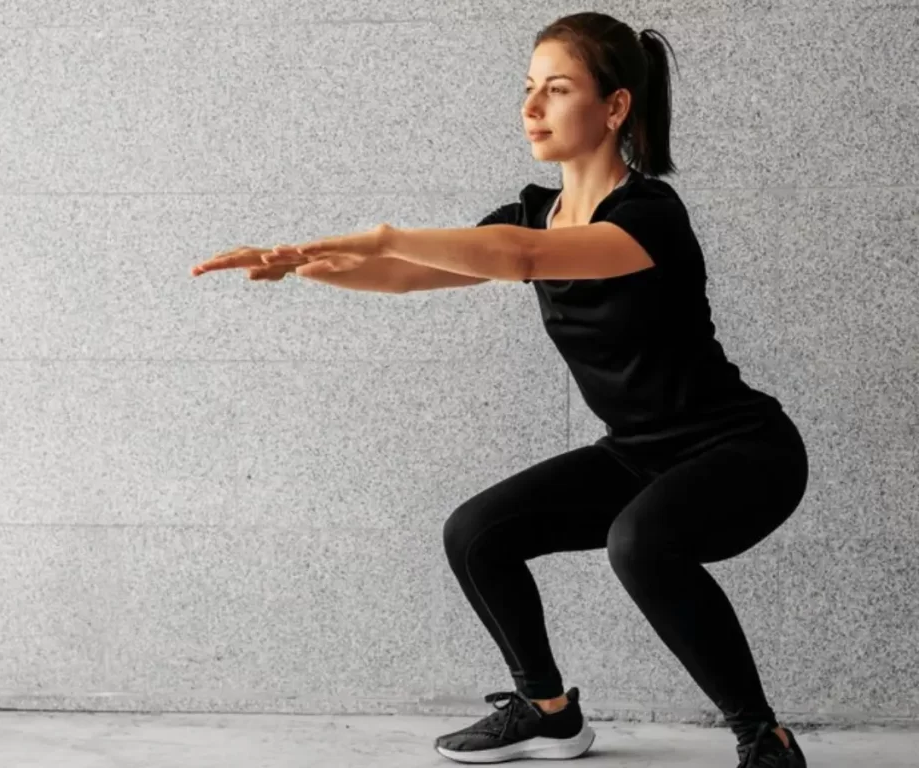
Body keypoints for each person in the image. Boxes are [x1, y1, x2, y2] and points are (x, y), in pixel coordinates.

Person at [192, 11, 810, 768]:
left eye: (556, 89)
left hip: (743, 453)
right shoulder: (531, 211)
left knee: (641, 545)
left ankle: (764, 736)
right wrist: (304, 262)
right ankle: (548, 712)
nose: (531, 109)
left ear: (615, 108)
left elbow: (520, 257)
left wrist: (383, 233)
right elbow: (412, 274)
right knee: (476, 533)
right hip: (638, 454)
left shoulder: (650, 216)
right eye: (527, 89)